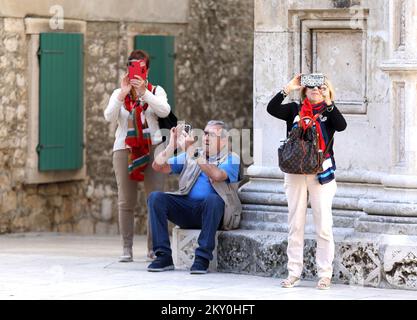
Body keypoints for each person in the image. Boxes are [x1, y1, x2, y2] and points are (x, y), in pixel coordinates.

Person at [267, 74, 347, 289]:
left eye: (321, 87)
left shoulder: (329, 112)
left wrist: (328, 100)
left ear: (327, 91)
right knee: (296, 224)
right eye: (311, 87)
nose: (315, 90)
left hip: (321, 173)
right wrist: (289, 87)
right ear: (304, 90)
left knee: (323, 226)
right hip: (295, 172)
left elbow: (341, 126)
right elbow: (272, 108)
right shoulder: (294, 109)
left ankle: (325, 274)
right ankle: (294, 272)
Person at [146, 120, 242, 274]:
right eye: (204, 133)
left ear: (223, 140)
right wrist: (172, 146)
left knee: (214, 200)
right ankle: (163, 256)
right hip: (187, 210)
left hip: (212, 215)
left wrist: (193, 152)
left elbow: (217, 175)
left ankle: (202, 258)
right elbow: (158, 166)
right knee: (155, 198)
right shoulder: (192, 154)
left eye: (211, 135)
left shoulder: (232, 158)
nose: (205, 138)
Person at [104, 50, 171, 262]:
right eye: (132, 67)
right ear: (127, 69)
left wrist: (144, 93)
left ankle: (154, 248)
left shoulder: (156, 90)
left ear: (147, 70)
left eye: (141, 67)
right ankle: (127, 248)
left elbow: (164, 111)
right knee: (126, 200)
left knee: (155, 199)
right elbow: (109, 116)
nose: (136, 71)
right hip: (125, 148)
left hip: (153, 149)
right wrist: (123, 93)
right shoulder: (118, 93)